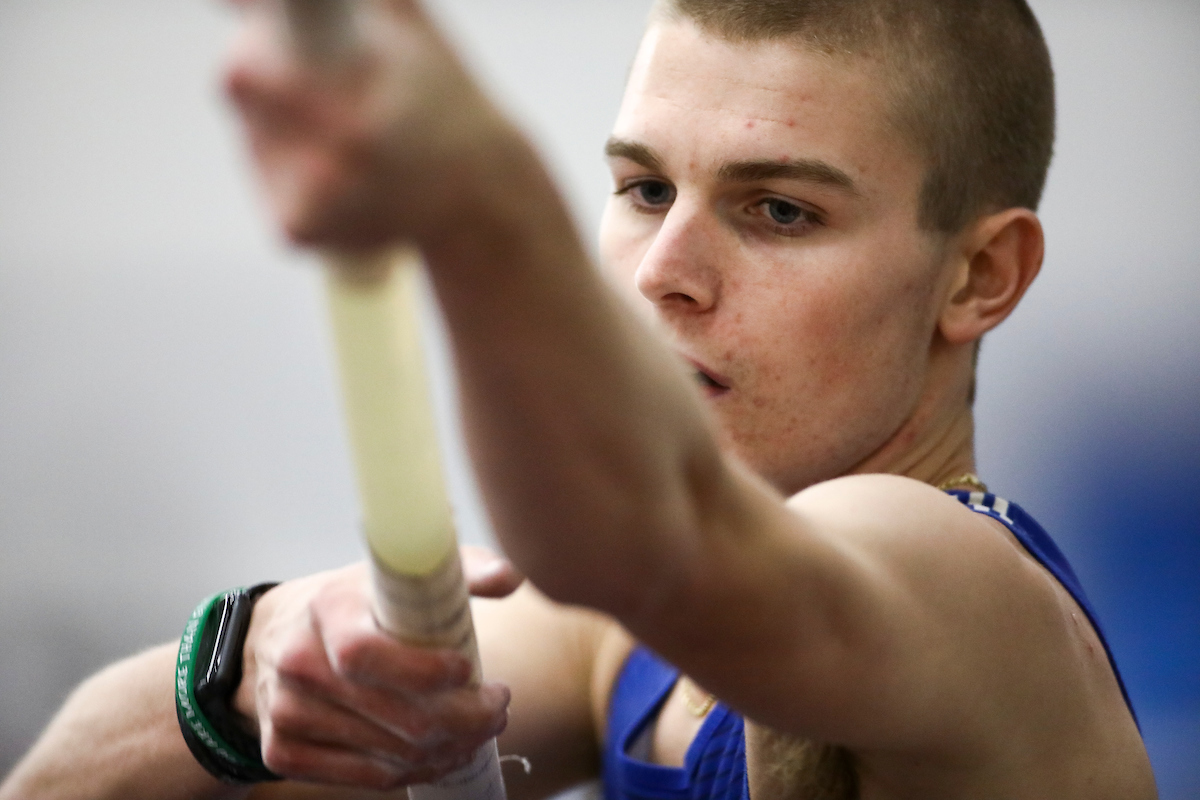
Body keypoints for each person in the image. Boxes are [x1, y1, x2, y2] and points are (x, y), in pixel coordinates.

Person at [0, 0, 1158, 798]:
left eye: (780, 211)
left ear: (979, 274)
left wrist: (480, 208)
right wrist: (241, 667)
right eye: (644, 187)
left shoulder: (956, 582)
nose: (664, 270)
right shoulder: (616, 638)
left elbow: (645, 533)